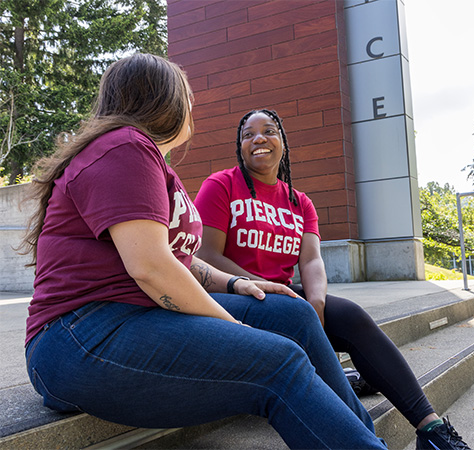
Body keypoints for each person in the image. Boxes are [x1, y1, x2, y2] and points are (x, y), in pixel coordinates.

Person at [20, 54, 389, 450]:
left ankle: (364, 437)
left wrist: (234, 282)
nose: (193, 108)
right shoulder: (124, 147)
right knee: (275, 359)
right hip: (78, 340)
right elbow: (151, 267)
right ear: (168, 101)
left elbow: (172, 255)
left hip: (132, 317)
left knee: (293, 313)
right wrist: (235, 329)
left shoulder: (142, 156)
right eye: (188, 98)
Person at [194, 109, 471, 450]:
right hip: (235, 297)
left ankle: (433, 431)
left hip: (284, 298)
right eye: (248, 135)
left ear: (283, 143)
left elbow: (311, 259)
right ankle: (360, 430)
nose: (259, 139)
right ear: (240, 147)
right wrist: (259, 286)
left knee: (351, 316)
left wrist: (318, 300)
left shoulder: (299, 202)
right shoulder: (221, 185)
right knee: (296, 317)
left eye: (268, 131)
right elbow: (206, 256)